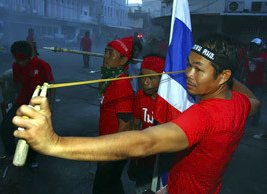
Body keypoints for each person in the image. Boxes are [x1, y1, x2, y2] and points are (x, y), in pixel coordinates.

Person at [13, 34, 260, 193]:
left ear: (224, 75)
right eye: (188, 65)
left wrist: (54, 143)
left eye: (198, 69)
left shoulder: (204, 116)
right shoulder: (238, 103)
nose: (188, 74)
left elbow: (146, 141)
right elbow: (255, 100)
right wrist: (225, 77)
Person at [0, 40, 55, 167]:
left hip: (38, 103)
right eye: (17, 60)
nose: (20, 63)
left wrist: (51, 104)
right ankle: (10, 153)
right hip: (22, 100)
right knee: (5, 126)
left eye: (23, 60)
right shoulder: (15, 66)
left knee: (32, 131)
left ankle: (31, 159)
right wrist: (13, 100)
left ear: (29, 56)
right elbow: (18, 84)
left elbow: (52, 85)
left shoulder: (42, 65)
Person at [96, 36, 134, 194]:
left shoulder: (121, 83)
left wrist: (110, 156)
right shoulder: (111, 78)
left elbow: (125, 125)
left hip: (112, 149)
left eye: (110, 53)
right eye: (105, 52)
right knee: (110, 187)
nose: (105, 56)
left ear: (123, 60)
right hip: (105, 144)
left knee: (104, 188)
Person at [128, 55, 166, 194]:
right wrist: (132, 161)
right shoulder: (140, 97)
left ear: (163, 79)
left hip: (164, 164)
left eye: (152, 78)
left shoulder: (169, 104)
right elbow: (135, 129)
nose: (145, 82)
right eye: (143, 76)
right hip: (144, 161)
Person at [243, 38, 266, 129]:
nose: (254, 48)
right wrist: (242, 78)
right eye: (252, 46)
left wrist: (250, 58)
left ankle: (255, 120)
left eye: (256, 46)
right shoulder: (249, 55)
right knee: (246, 101)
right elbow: (244, 68)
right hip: (248, 82)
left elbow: (261, 60)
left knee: (257, 102)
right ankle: (246, 118)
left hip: (259, 84)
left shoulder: (263, 55)